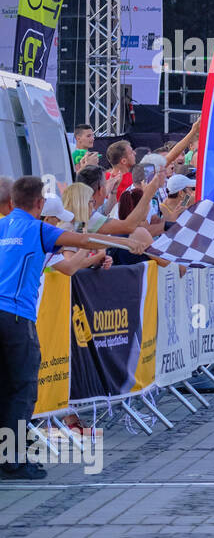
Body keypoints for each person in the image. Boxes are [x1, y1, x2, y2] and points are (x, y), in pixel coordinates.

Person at [0, 176, 150, 479]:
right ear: (41, 204)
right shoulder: (38, 228)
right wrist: (126, 242)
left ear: (13, 202)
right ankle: (12, 462)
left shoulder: (3, 226)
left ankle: (8, 456)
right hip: (16, 317)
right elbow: (83, 241)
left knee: (5, 389)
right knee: (22, 391)